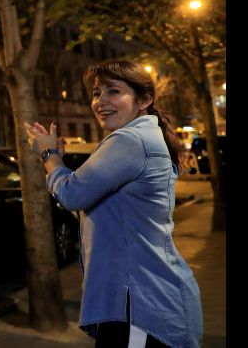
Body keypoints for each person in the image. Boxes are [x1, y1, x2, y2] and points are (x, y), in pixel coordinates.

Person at [23, 60, 202, 348]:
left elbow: (72, 194)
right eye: (97, 93)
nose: (101, 101)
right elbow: (88, 188)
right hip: (140, 302)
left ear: (144, 100)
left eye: (114, 91)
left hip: (141, 311)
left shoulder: (130, 140)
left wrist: (48, 154)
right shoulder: (142, 136)